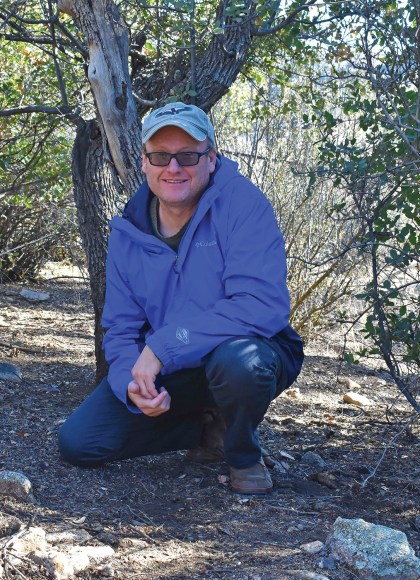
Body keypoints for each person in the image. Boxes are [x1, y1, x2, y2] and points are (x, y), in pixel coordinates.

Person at [59, 102, 304, 495]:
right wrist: (130, 383)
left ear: (212, 158)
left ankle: (241, 451)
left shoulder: (245, 206)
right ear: (143, 162)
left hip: (247, 352)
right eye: (160, 156)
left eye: (188, 155)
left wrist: (163, 346)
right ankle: (204, 429)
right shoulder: (128, 229)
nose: (173, 168)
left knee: (240, 365)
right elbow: (120, 328)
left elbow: (260, 304)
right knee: (79, 443)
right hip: (177, 366)